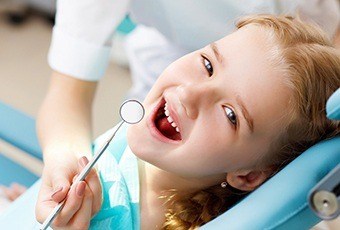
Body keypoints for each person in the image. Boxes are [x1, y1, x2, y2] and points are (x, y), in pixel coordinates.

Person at [22, 14, 338, 229]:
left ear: (250, 175)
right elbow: (66, 97)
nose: (189, 94)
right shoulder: (125, 150)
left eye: (231, 115)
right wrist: (54, 169)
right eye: (208, 64)